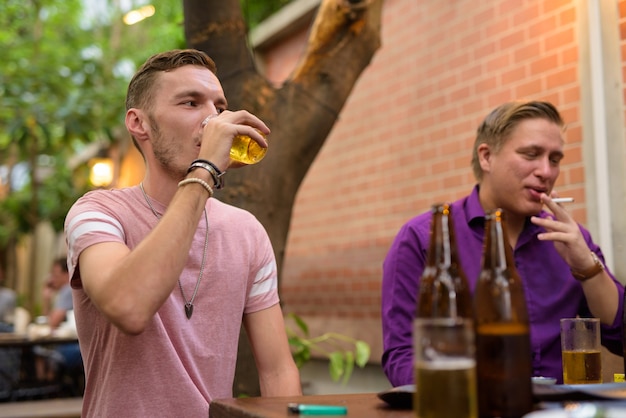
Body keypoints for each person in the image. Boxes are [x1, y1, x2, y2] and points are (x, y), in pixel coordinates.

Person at [64, 49, 301, 416]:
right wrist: (205, 170)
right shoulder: (97, 213)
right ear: (139, 123)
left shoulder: (247, 232)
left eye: (219, 108)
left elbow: (277, 370)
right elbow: (128, 306)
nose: (212, 120)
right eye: (191, 103)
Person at [381, 100, 625, 386]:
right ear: (486, 157)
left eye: (555, 159)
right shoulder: (424, 239)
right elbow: (402, 358)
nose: (546, 171)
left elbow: (620, 337)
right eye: (531, 154)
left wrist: (588, 268)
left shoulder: (570, 239)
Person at [35, 257, 82, 383]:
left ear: (66, 274)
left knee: (37, 349)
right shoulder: (68, 290)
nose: (52, 279)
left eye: (55, 274)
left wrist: (46, 299)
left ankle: (45, 384)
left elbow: (52, 323)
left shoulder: (68, 290)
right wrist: (47, 300)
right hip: (77, 344)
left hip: (73, 347)